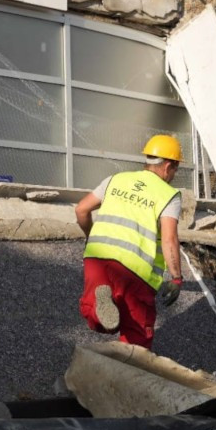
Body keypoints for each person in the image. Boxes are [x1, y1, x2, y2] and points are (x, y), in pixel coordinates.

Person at [75, 133, 185, 350]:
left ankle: (100, 306)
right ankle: (128, 378)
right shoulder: (168, 194)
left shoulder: (115, 179)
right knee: (137, 336)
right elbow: (169, 239)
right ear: (168, 166)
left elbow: (81, 209)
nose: (174, 175)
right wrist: (177, 278)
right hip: (134, 270)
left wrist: (92, 238)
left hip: (97, 259)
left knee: (96, 316)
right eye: (175, 169)